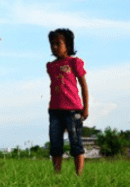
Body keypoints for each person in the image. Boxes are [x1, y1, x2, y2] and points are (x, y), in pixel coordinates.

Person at [46, 28, 88, 176]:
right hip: (55, 110)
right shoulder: (51, 66)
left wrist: (85, 108)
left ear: (68, 46)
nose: (54, 47)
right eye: (52, 44)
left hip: (73, 109)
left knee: (76, 143)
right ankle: (57, 175)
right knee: (56, 144)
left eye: (58, 43)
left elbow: (83, 85)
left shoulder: (74, 62)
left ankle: (79, 176)